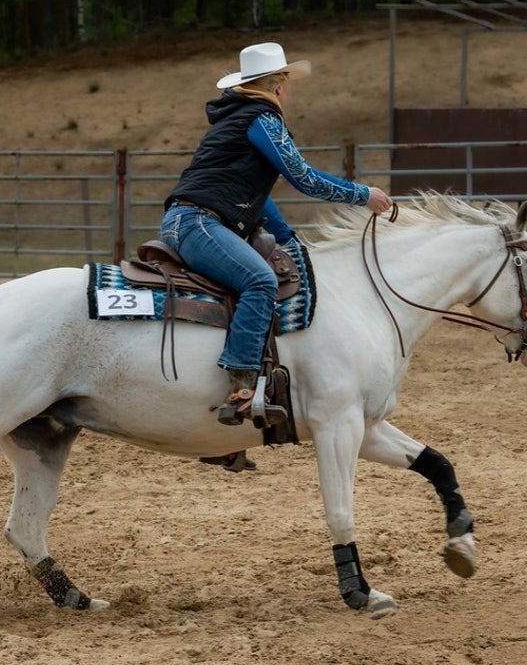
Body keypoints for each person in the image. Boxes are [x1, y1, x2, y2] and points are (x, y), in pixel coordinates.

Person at [159, 42, 394, 427]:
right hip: (200, 223)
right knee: (259, 282)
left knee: (243, 284)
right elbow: (303, 177)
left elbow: (256, 200)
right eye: (287, 84)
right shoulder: (262, 120)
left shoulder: (233, 121)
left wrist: (289, 240)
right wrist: (362, 194)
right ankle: (241, 386)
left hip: (190, 220)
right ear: (279, 85)